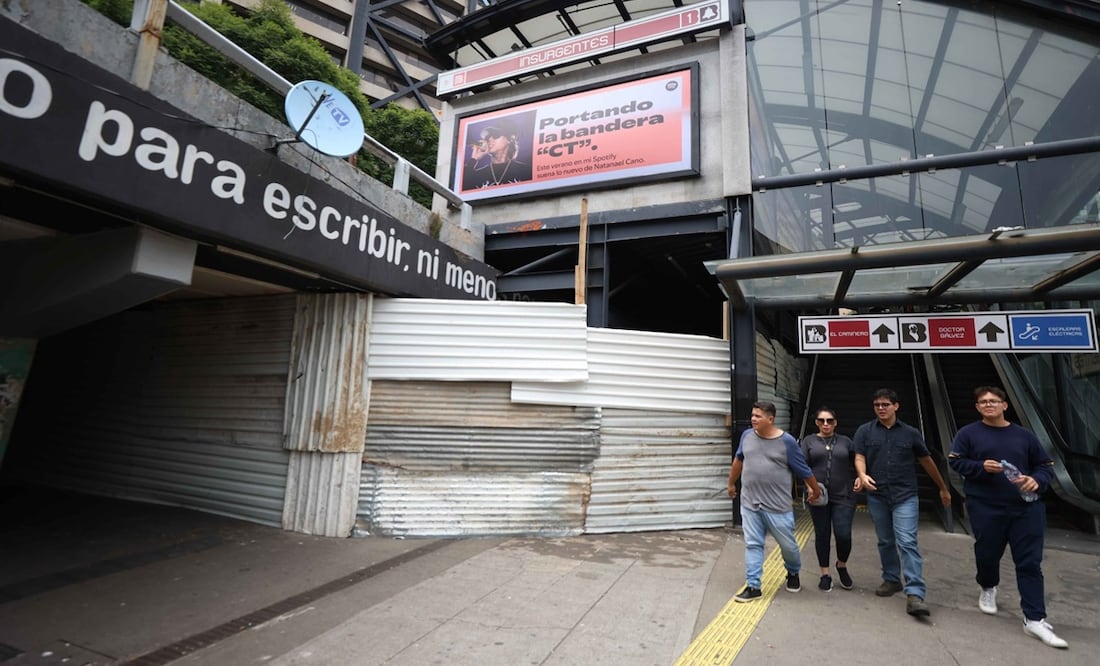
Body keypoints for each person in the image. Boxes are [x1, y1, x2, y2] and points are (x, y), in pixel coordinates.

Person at [948, 386, 1068, 649]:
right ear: (978, 407)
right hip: (985, 507)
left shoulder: (1024, 436)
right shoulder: (967, 434)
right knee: (987, 554)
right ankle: (988, 586)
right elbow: (956, 462)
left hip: (1026, 508)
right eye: (983, 402)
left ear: (1005, 405)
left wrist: (1036, 480)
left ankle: (1034, 618)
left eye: (994, 401)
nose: (988, 405)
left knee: (1029, 562)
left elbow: (1045, 466)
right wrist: (980, 467)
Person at [853, 388, 950, 618]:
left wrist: (943, 488)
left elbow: (926, 461)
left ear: (896, 406)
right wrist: (862, 474)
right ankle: (891, 579)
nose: (881, 408)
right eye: (877, 405)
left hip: (905, 495)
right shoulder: (865, 431)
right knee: (885, 541)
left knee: (907, 542)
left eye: (885, 404)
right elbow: (859, 456)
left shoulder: (910, 433)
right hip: (877, 495)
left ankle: (915, 593)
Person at [727, 401, 822, 601]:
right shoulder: (746, 436)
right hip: (750, 502)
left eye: (758, 416)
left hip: (778, 507)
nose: (753, 419)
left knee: (788, 546)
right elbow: (739, 461)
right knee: (753, 544)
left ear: (770, 419)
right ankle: (753, 586)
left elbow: (803, 469)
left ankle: (793, 571)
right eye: (752, 415)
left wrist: (814, 489)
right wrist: (731, 484)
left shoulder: (786, 442)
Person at [800, 406, 861, 591]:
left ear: (836, 422)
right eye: (821, 421)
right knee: (822, 533)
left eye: (830, 421)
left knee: (843, 534)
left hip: (844, 494)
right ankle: (824, 573)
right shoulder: (808, 441)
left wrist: (861, 475)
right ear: (816, 422)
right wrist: (810, 487)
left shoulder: (846, 441)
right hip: (818, 494)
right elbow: (802, 465)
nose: (825, 424)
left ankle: (841, 565)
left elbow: (858, 459)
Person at [462, 120, 532, 190]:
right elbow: (461, 191)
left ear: (510, 138)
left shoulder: (525, 171)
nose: (490, 140)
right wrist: (474, 159)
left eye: (496, 135)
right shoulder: (477, 175)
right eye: (487, 137)